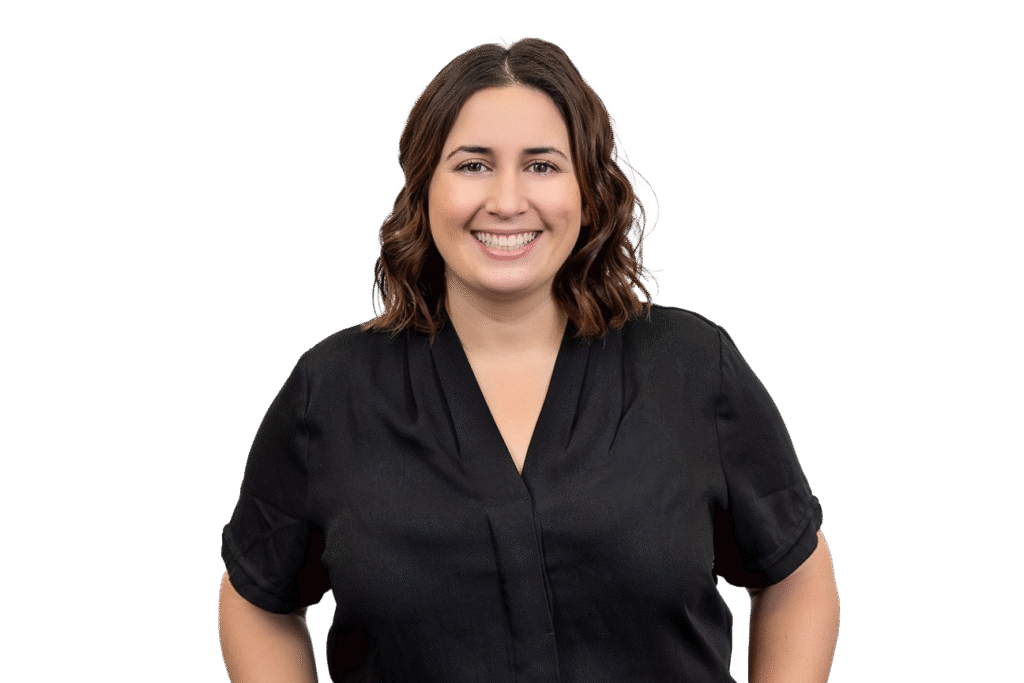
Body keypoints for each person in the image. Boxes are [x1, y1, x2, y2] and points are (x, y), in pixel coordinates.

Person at [218, 36, 840, 683]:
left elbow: (797, 573)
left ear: (589, 188)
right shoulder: (331, 391)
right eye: (473, 164)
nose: (508, 200)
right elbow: (256, 593)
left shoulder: (692, 369)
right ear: (424, 185)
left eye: (541, 165)